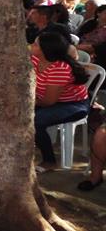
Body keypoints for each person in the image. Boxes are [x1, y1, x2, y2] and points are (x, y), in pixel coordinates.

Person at [32, 31, 90, 172]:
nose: (31, 46)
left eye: (35, 44)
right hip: (46, 100)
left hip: (73, 104)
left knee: (35, 121)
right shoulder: (35, 59)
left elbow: (49, 101)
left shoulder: (59, 69)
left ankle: (49, 161)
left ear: (45, 50)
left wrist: (29, 102)